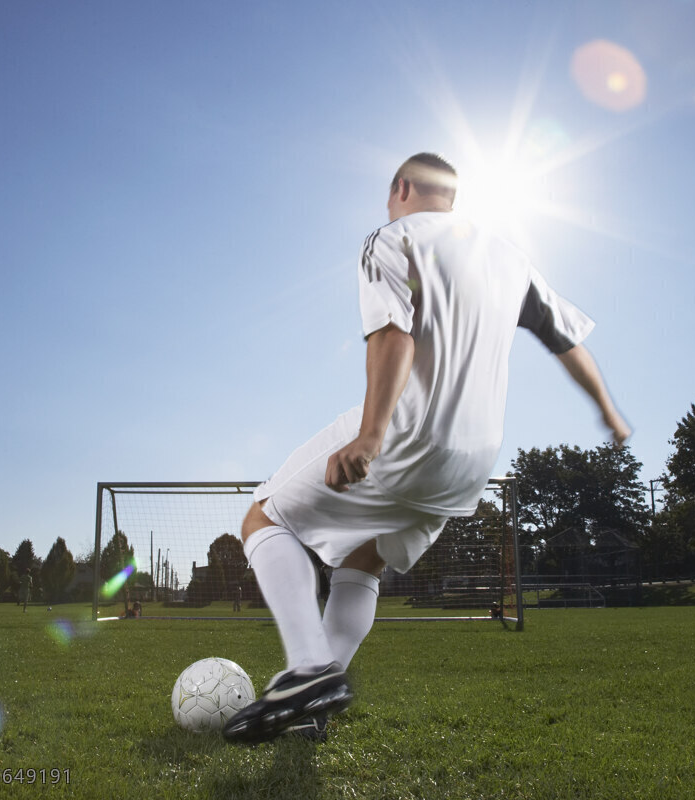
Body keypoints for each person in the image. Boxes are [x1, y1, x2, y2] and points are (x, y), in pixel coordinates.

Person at [222, 153, 630, 745]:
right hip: (471, 466)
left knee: (264, 517)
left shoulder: (393, 238)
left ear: (402, 188)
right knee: (365, 557)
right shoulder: (509, 257)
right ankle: (315, 704)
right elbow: (566, 342)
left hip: (408, 437)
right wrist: (607, 409)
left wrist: (370, 434)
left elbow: (394, 333)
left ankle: (308, 670)